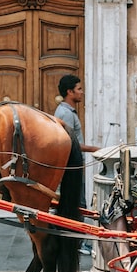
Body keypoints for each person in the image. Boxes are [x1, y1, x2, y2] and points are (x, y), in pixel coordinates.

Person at [54, 75, 101, 251]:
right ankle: (76, 243)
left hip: (73, 164)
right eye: (79, 89)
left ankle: (74, 240)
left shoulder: (67, 111)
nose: (82, 92)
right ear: (69, 92)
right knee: (77, 203)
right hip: (71, 165)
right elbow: (70, 143)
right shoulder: (66, 113)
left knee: (74, 202)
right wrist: (96, 149)